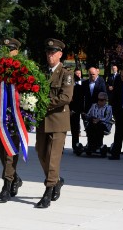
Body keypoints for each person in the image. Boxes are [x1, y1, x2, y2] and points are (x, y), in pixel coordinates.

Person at [35, 38, 73, 208]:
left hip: (58, 120)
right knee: (41, 153)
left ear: (60, 54)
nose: (50, 55)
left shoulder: (67, 74)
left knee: (53, 156)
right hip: (42, 120)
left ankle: (48, 189)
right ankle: (56, 179)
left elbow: (66, 97)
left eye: (53, 53)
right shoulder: (41, 73)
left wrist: (43, 103)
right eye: (48, 52)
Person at [0, 37, 23, 204]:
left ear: (16, 51)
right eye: (5, 50)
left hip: (16, 117)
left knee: (11, 152)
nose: (7, 53)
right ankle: (14, 177)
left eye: (10, 49)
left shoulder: (23, 69)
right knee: (0, 150)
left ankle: (7, 184)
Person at [70, 68, 84, 151]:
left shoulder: (79, 88)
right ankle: (61, 148)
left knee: (75, 130)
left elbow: (80, 101)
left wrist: (74, 110)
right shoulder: (65, 88)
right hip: (66, 111)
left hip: (75, 111)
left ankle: (75, 146)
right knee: (62, 130)